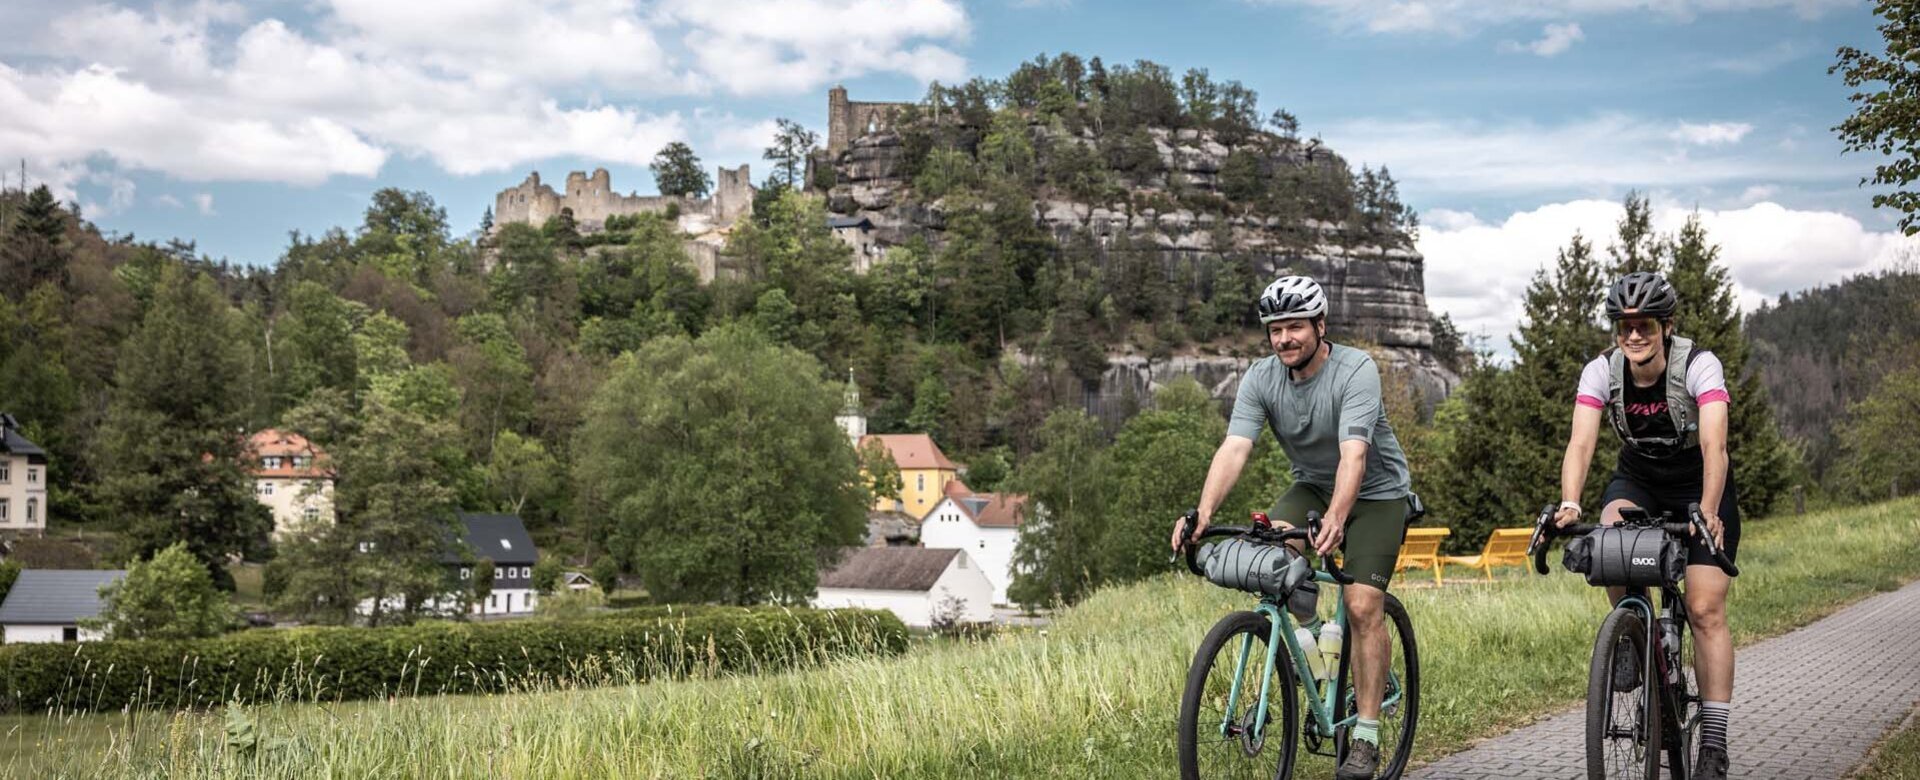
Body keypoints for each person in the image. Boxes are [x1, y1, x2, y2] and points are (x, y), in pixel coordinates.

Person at [1171, 274, 1414, 780]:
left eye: (1295, 327)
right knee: (1270, 564)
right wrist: (1204, 513)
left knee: (1361, 605)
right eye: (1275, 329)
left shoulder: (1356, 370)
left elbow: (1354, 455)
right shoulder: (1262, 378)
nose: (1284, 339)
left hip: (1377, 495)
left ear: (1320, 326)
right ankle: (1320, 646)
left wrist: (1338, 518)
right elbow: (1235, 447)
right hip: (1312, 488)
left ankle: (1366, 734)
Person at [1553, 271, 1739, 780]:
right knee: (1608, 542)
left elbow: (1715, 446)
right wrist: (1570, 502)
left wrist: (1708, 509)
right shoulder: (1602, 371)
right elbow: (1581, 443)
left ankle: (1714, 742)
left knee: (1704, 608)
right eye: (1624, 326)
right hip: (1639, 479)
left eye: (1645, 326)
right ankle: (1633, 636)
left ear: (1666, 326)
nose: (1634, 335)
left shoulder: (1698, 365)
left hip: (1699, 484)